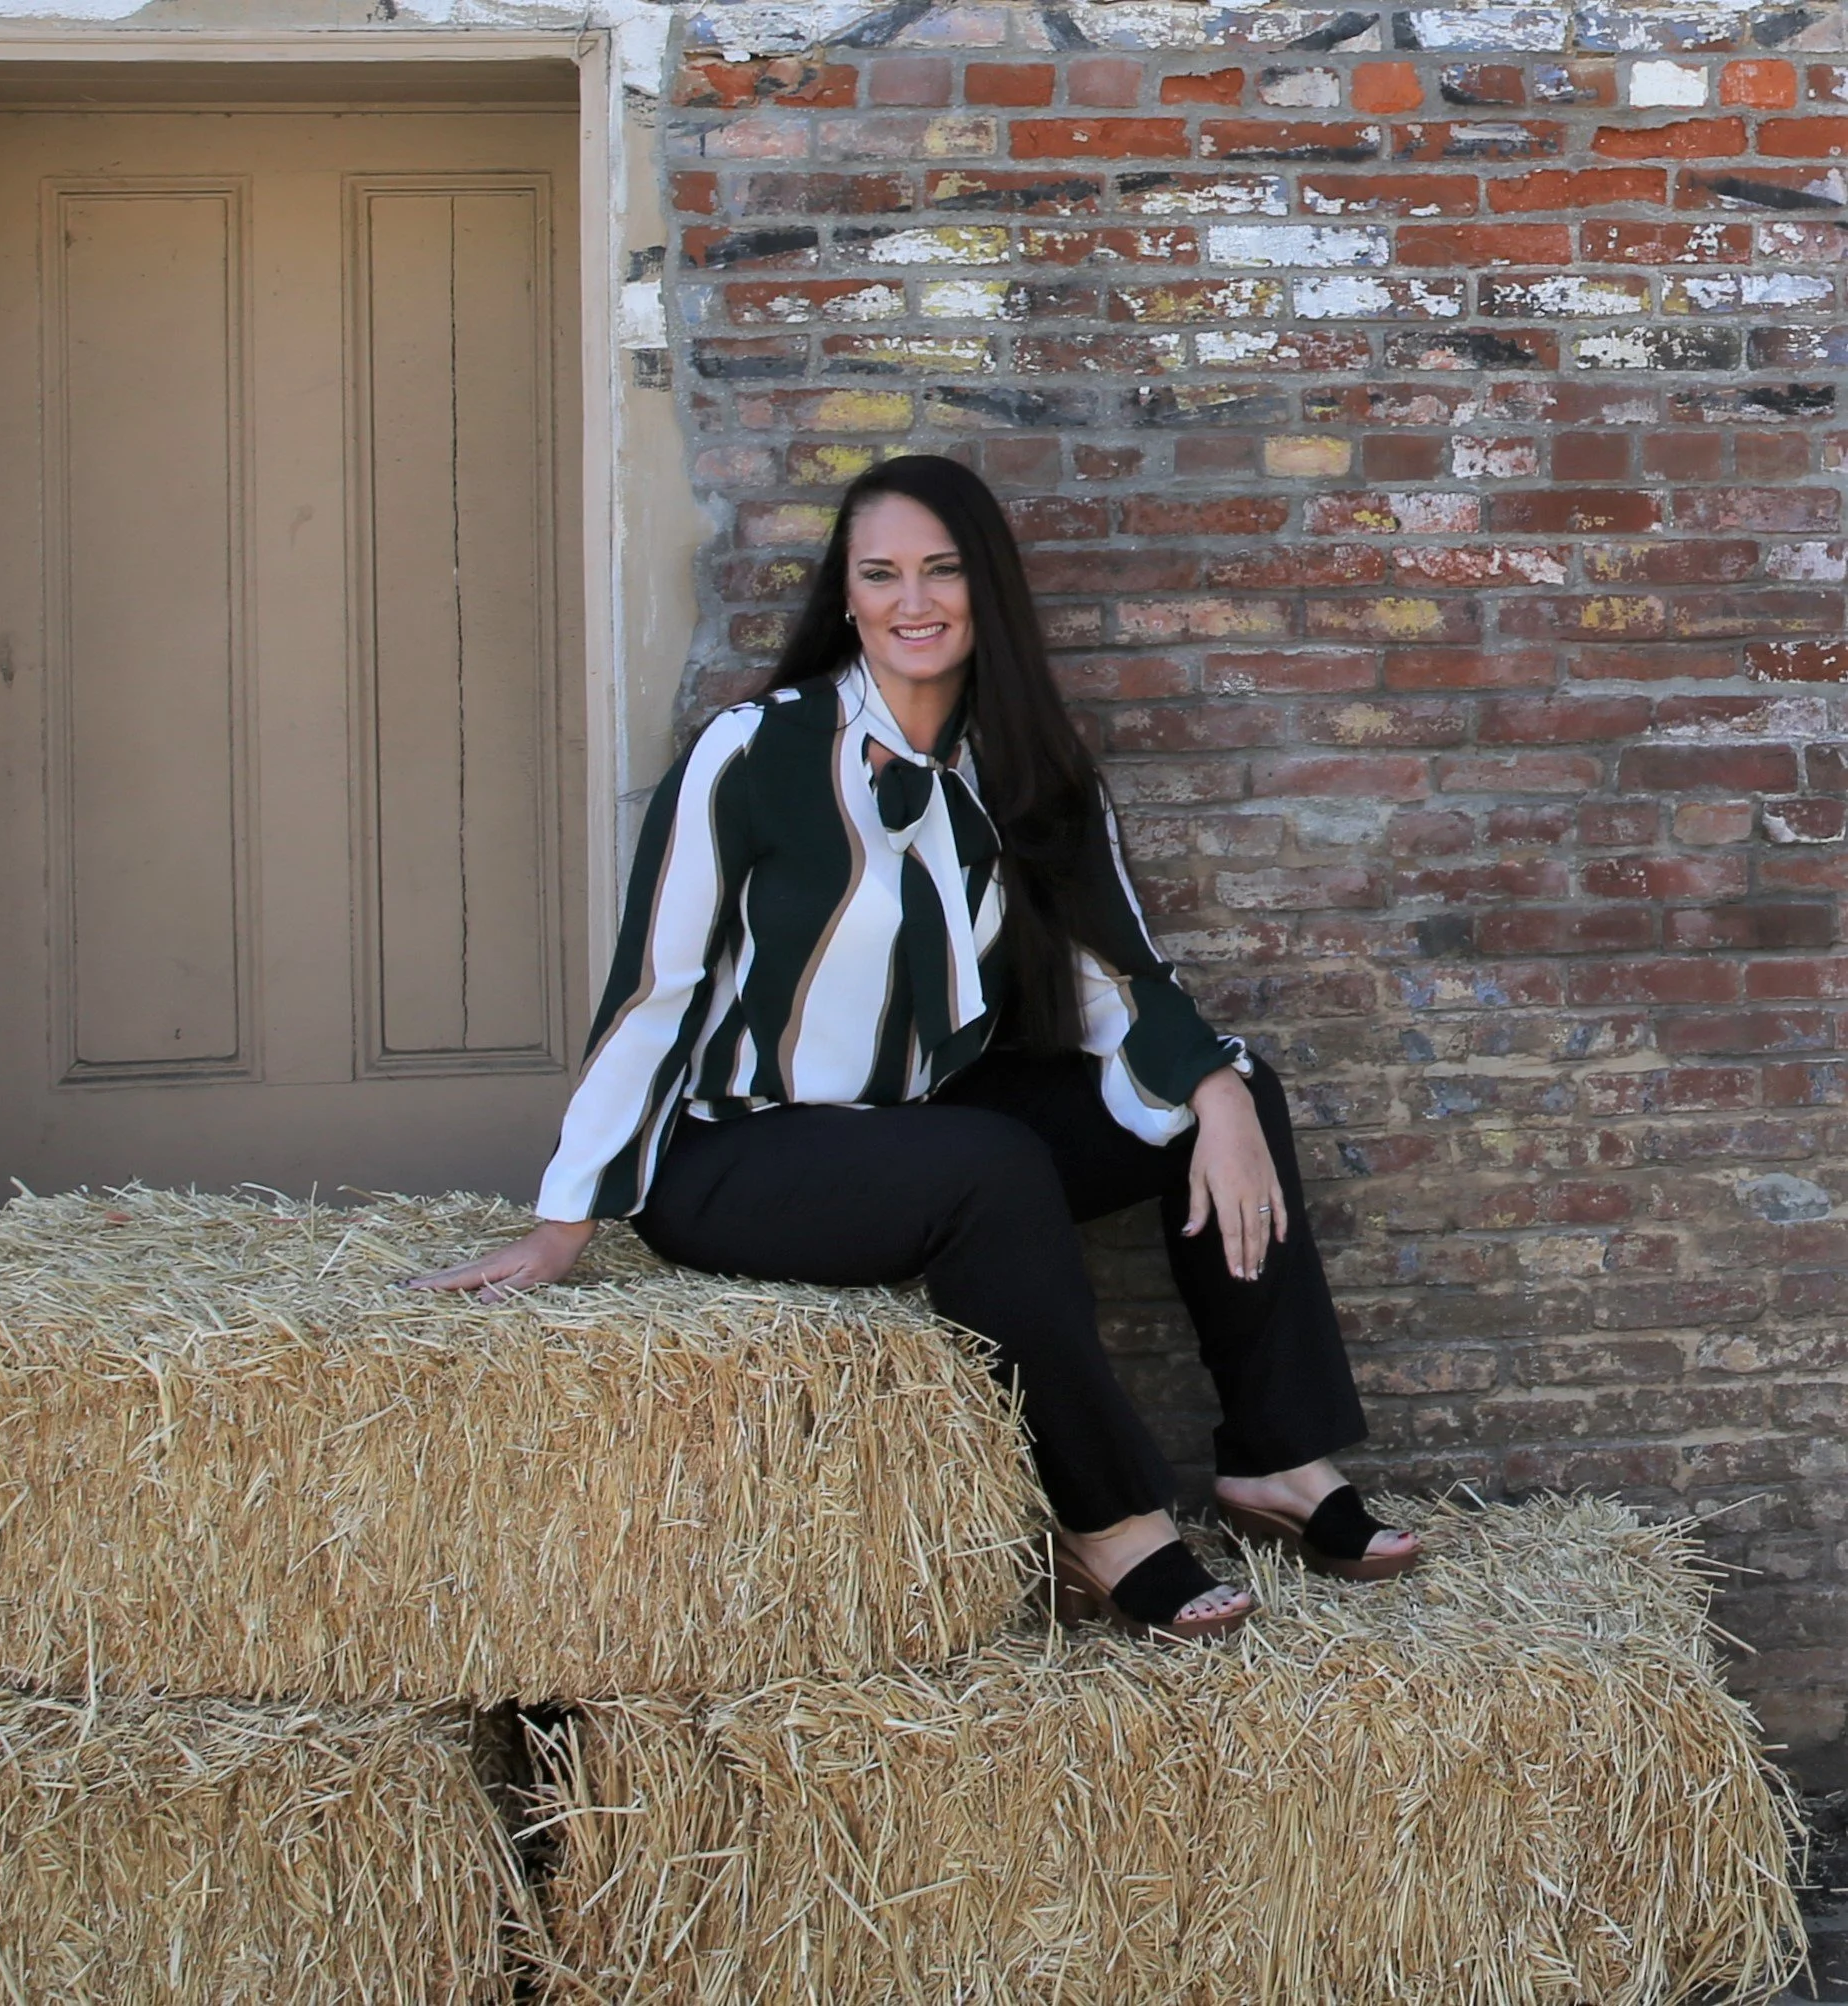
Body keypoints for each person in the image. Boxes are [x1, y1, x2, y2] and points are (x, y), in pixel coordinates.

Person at [411, 454, 1419, 1641]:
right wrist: (565, 1213)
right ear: (846, 597)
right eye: (880, 573)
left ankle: (1276, 1457)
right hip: (738, 1149)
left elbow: (1121, 973)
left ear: (984, 588)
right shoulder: (753, 753)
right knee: (985, 1162)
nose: (913, 598)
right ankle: (1107, 1524)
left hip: (918, 1118)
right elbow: (655, 989)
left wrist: (1223, 1097)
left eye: (941, 569)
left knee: (1225, 1081)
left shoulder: (1028, 765)